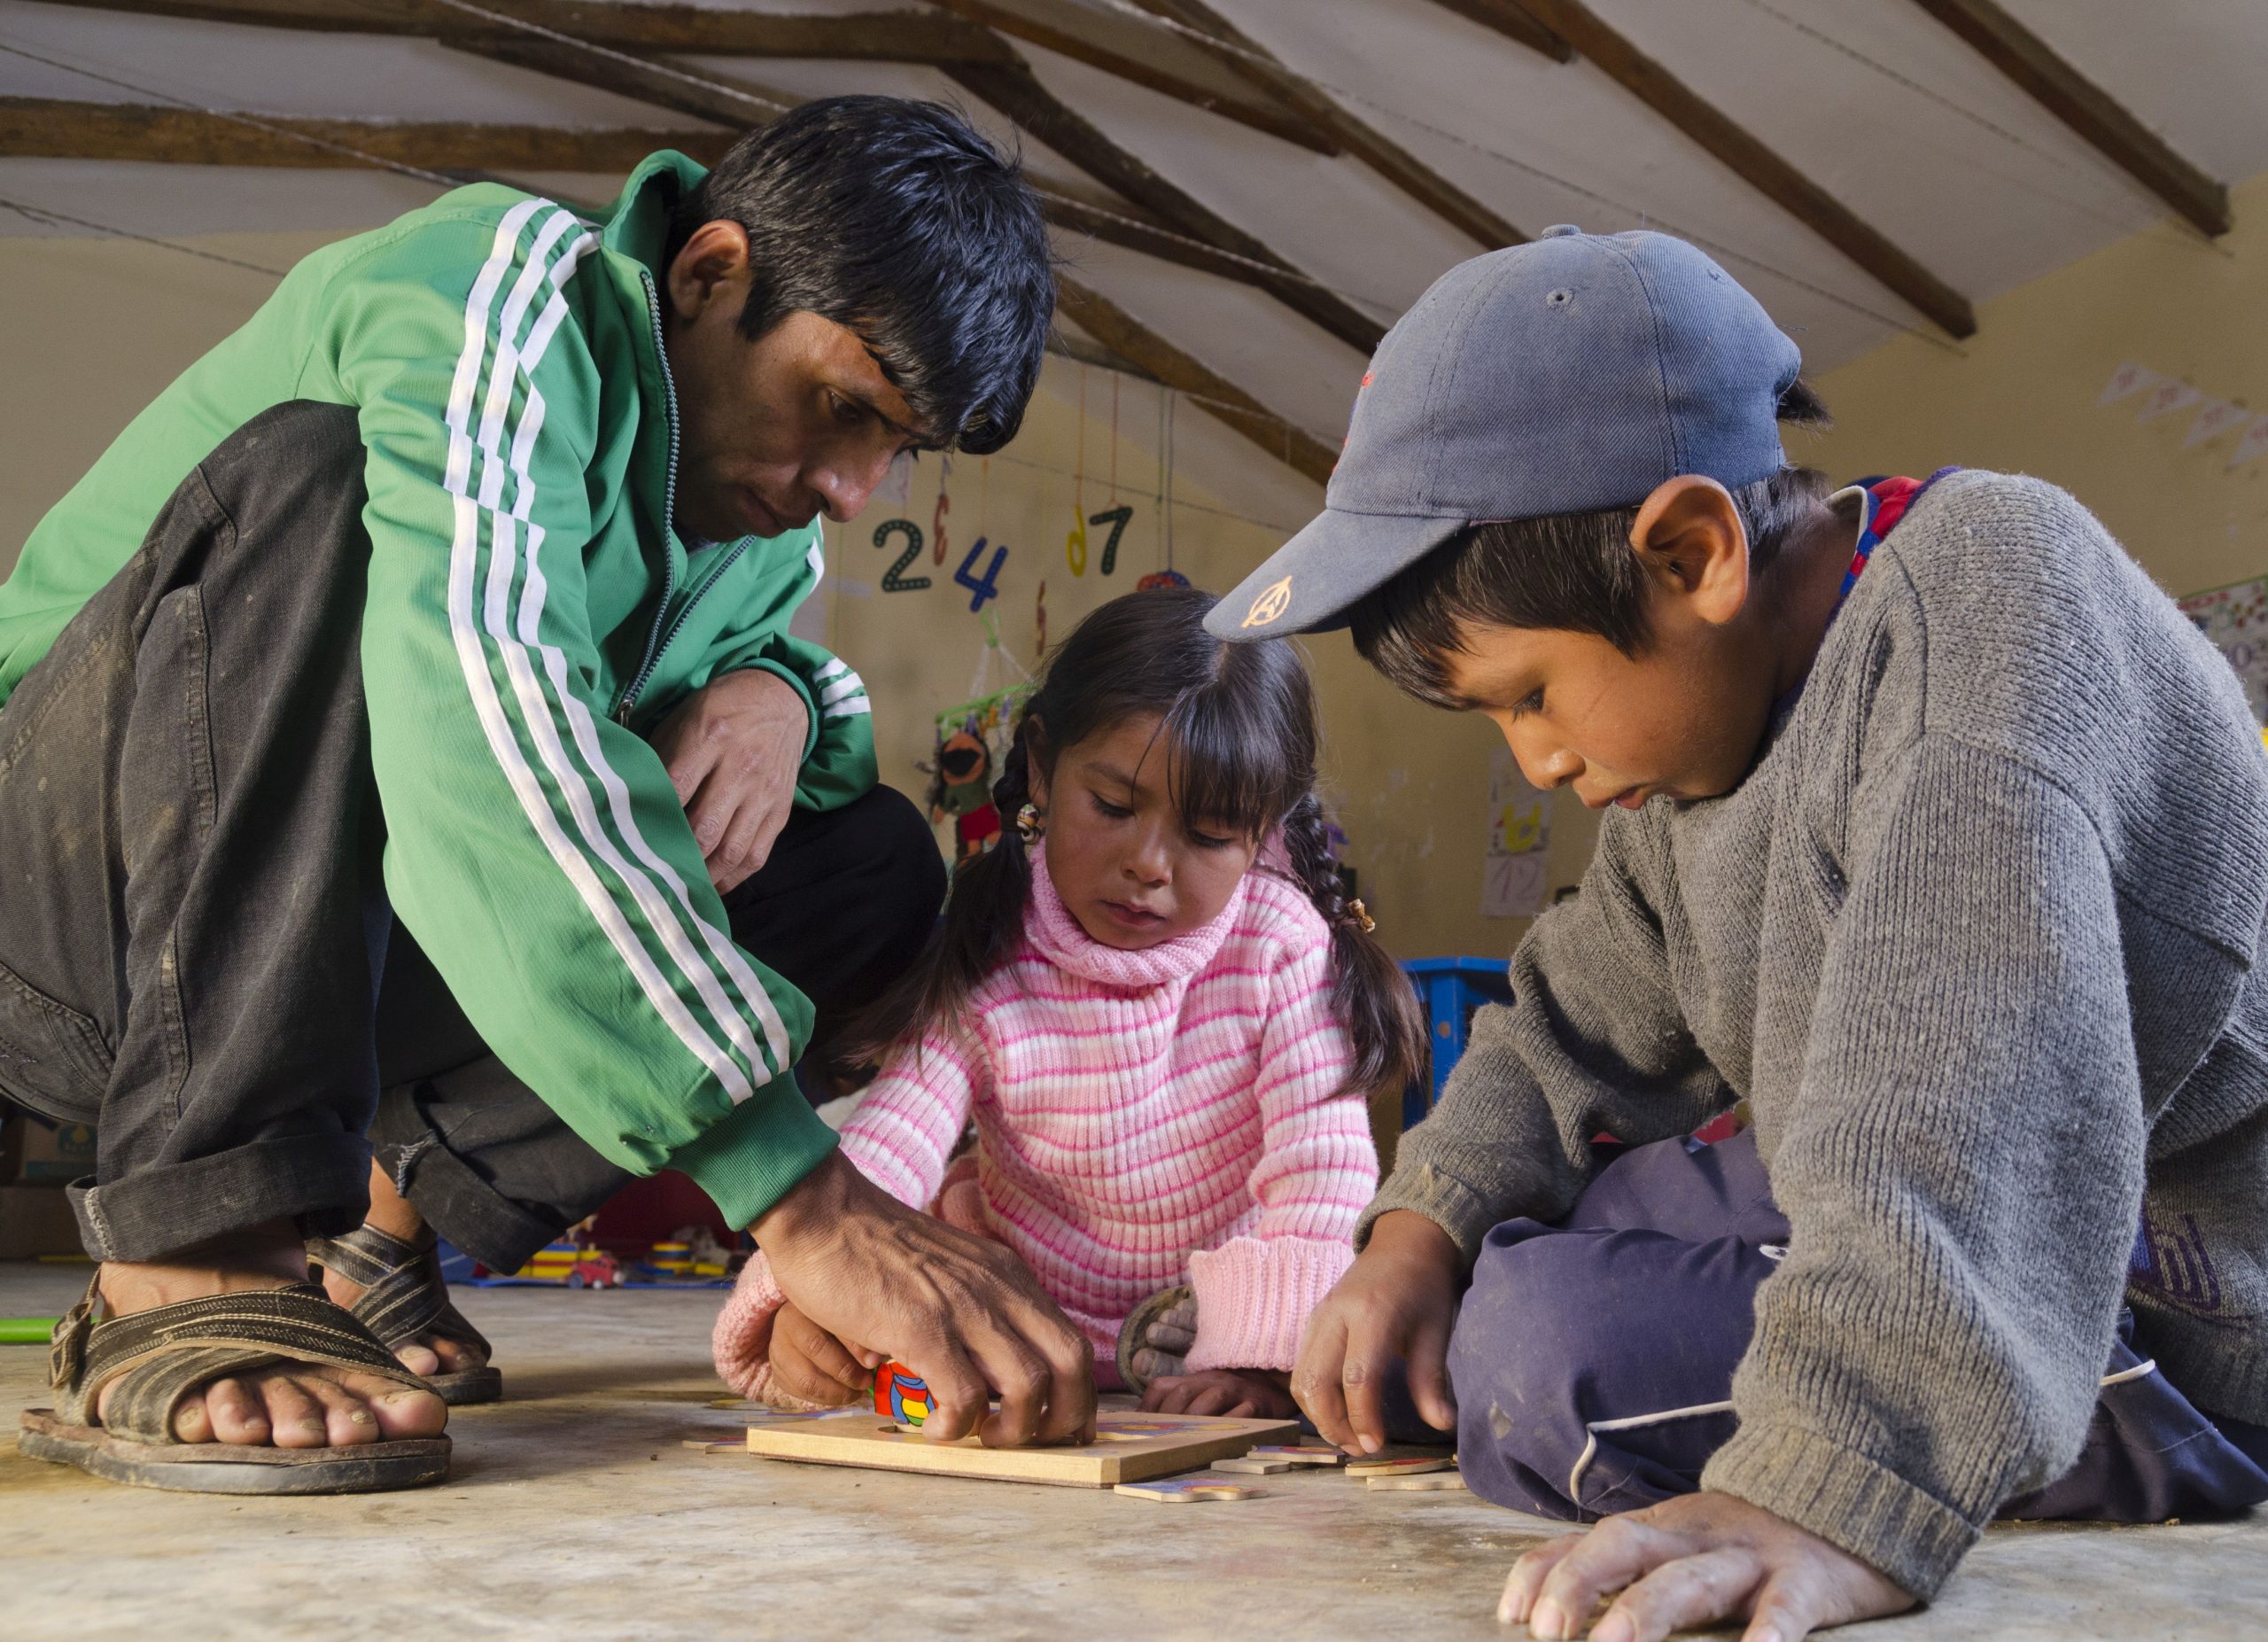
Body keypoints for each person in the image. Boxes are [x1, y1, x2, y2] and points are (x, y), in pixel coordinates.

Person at [0, 97, 1095, 1495]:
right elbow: (485, 730)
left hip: (322, 955)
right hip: (64, 898)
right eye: (839, 408)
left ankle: (371, 1242)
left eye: (896, 448)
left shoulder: (745, 539)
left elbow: (758, 731)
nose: (848, 488)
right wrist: (807, 1204)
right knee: (320, 476)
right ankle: (197, 1245)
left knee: (869, 861)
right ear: (709, 274)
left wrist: (783, 700)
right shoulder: (495, 299)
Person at [1203, 228, 2268, 1641]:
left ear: (1693, 552)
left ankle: (1954, 1422)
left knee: (1542, 1358)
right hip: (1921, 1185)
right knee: (1528, 1255)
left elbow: (1960, 1096)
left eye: (1530, 698)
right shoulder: (1708, 755)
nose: (1537, 763)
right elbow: (1570, 1018)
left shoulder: (1993, 621)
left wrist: (1830, 1488)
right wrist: (1417, 1227)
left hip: (2167, 1293)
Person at [711, 588, 1425, 1419]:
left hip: (1216, 1324)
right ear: (1044, 769)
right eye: (1115, 807)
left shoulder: (1280, 946)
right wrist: (801, 1297)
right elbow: (893, 1140)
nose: (1150, 863)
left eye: (1208, 834)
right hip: (1016, 1318)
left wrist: (1263, 1362)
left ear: (1264, 827)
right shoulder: (989, 940)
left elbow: (1321, 1178)